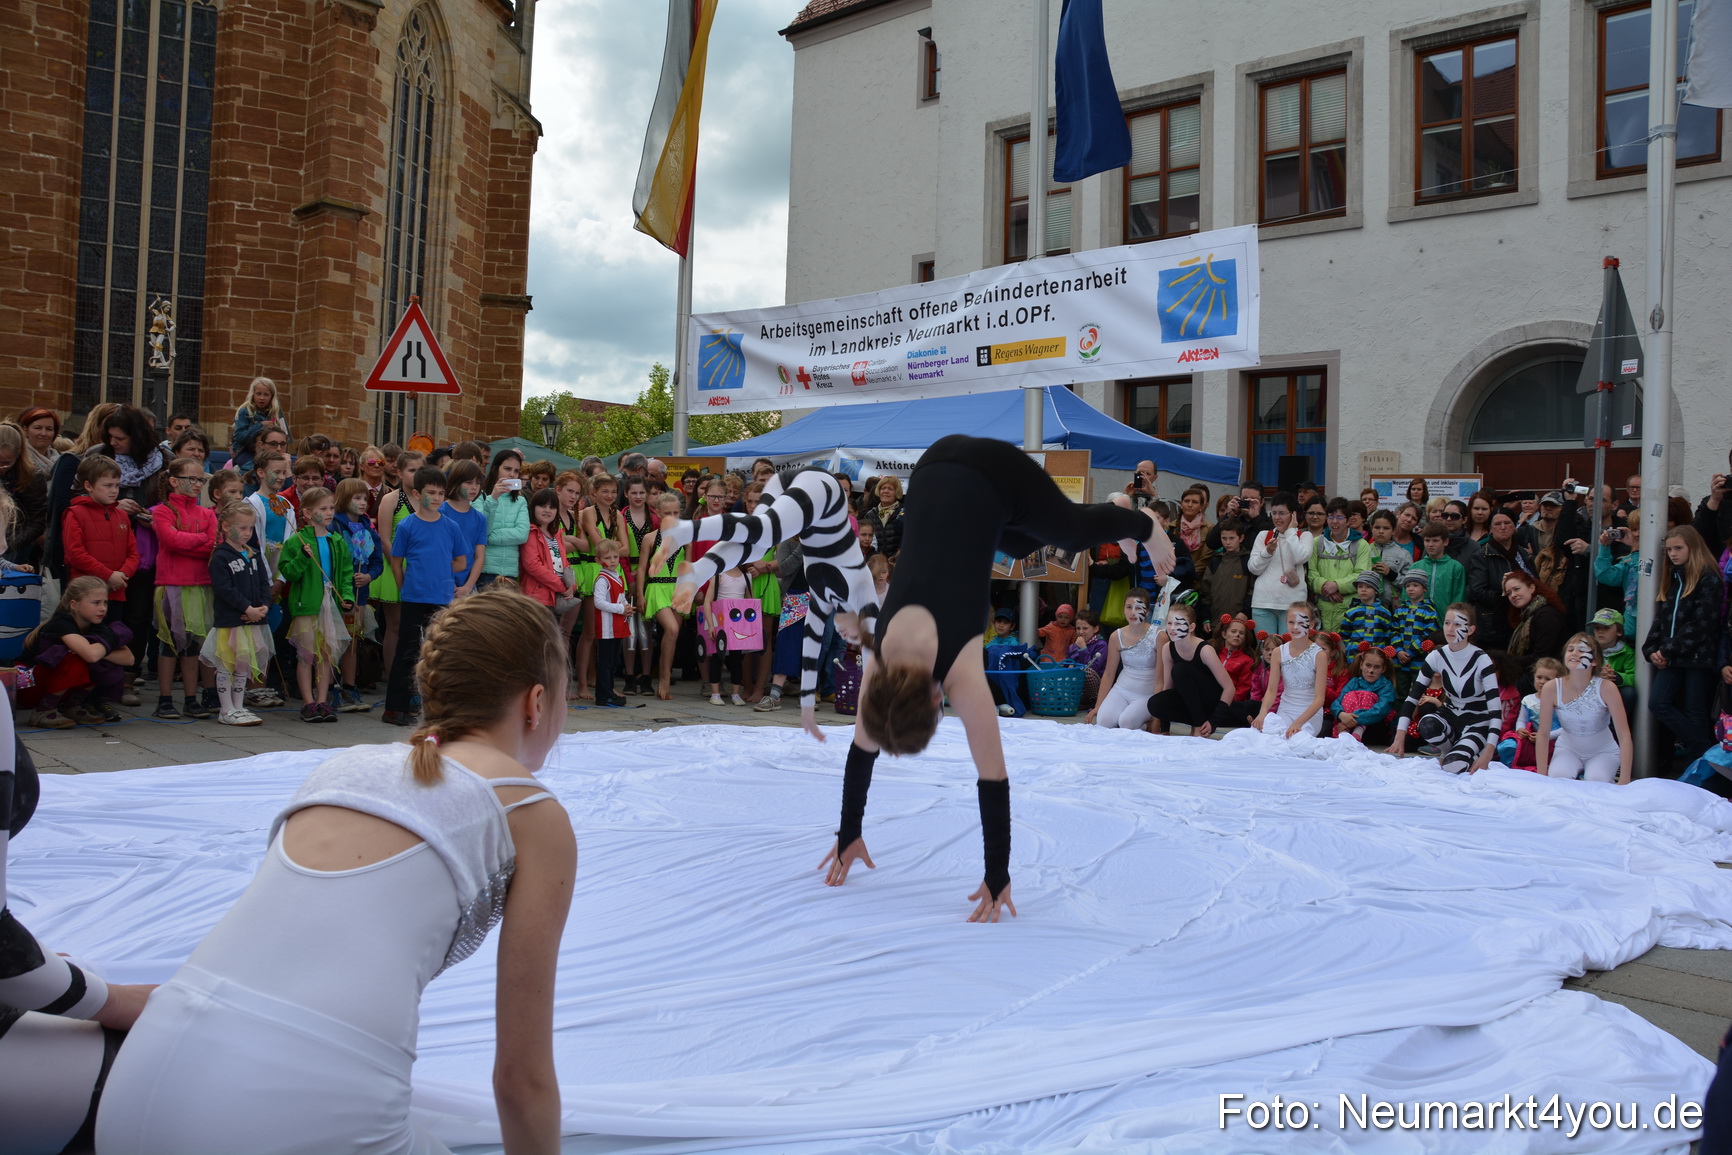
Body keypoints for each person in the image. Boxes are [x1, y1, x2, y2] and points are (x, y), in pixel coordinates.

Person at [96, 589, 576, 1154]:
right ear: (536, 702)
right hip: (300, 1102)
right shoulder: (528, 810)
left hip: (142, 1077)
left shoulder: (344, 766)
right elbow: (522, 1079)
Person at [821, 434, 1171, 922]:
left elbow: (994, 780)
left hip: (992, 471)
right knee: (1017, 538)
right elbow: (863, 749)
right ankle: (1108, 510)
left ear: (934, 697)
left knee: (1069, 532)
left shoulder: (960, 670)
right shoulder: (880, 658)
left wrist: (997, 876)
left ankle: (1137, 518)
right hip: (930, 467)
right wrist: (848, 832)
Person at [646, 466, 881, 730]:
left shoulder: (824, 589)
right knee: (766, 531)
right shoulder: (860, 586)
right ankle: (685, 531)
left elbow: (812, 642)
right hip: (824, 490)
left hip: (809, 499)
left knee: (757, 544)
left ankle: (701, 569)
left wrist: (807, 710)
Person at [383, 467, 468, 727]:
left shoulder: (450, 526)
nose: (437, 497)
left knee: (440, 652)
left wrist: (440, 569)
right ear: (418, 494)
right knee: (407, 651)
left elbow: (461, 561)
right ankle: (395, 707)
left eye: (441, 493)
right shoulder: (408, 525)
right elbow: (397, 562)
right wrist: (403, 587)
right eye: (431, 492)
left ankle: (438, 707)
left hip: (441, 596)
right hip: (414, 596)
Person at [1644, 525, 1726, 760]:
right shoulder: (1674, 576)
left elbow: (1702, 623)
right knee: (1659, 703)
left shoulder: (1708, 578)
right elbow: (1662, 616)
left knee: (1695, 711)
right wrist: (1651, 649)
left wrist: (1667, 650)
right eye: (1669, 549)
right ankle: (1706, 754)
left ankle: (1701, 760)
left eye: (1678, 548)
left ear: (1693, 547)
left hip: (1696, 657)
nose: (1672, 554)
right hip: (1672, 655)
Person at [1390, 604, 1501, 774]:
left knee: (1453, 766)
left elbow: (1495, 711)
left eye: (1457, 624)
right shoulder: (1436, 656)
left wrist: (1488, 751)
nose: (1450, 629)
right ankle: (1448, 750)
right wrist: (1400, 736)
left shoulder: (1482, 660)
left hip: (1477, 723)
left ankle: (1472, 752)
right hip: (1451, 716)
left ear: (1470, 630)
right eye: (1447, 623)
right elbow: (1413, 697)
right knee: (1426, 724)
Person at [149, 455, 220, 721]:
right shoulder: (163, 510)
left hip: (200, 586)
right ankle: (165, 699)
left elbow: (211, 544)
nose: (197, 483)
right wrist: (199, 540)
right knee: (169, 644)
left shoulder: (207, 513)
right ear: (174, 481)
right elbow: (171, 540)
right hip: (172, 586)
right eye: (192, 478)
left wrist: (193, 541)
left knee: (193, 646)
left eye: (201, 479)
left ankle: (191, 698)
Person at [279, 486, 354, 724]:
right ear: (308, 513)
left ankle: (322, 700)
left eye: (331, 507)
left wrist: (347, 595)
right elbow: (288, 573)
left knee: (326, 654)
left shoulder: (337, 541)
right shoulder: (297, 541)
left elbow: (345, 573)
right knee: (306, 654)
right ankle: (308, 702)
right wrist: (302, 556)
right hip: (307, 605)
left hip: (329, 604)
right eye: (323, 508)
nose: (329, 512)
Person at [18, 576, 136, 728]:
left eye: (105, 602)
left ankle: (71, 707)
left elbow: (129, 658)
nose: (103, 608)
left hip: (52, 685)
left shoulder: (96, 626)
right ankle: (43, 710)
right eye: (96, 602)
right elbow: (91, 655)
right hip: (29, 686)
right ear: (74, 605)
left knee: (99, 658)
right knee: (77, 658)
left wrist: (102, 647)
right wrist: (108, 643)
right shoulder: (61, 623)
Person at [203, 500, 273, 727]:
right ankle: (226, 709)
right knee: (227, 664)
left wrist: (264, 605)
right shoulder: (221, 556)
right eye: (242, 528)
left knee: (243, 664)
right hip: (231, 621)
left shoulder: (252, 553)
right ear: (225, 527)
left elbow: (264, 581)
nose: (247, 532)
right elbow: (224, 589)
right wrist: (247, 608)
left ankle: (239, 705)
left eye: (250, 528)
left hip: (251, 621)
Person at [1537, 633, 1633, 783]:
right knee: (1558, 779)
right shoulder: (1552, 688)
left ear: (1594, 660)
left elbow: (1624, 735)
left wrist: (1625, 780)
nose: (1574, 653)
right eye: (1570, 649)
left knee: (1597, 781)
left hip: (1603, 751)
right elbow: (1543, 734)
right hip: (1567, 749)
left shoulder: (1607, 688)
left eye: (1582, 650)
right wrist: (1541, 776)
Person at [62, 455, 139, 621]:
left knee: (112, 637)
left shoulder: (122, 516)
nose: (114, 490)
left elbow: (133, 553)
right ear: (89, 486)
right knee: (87, 640)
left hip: (116, 591)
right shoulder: (75, 514)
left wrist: (122, 575)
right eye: (107, 485)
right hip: (86, 593)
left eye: (117, 485)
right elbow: (75, 554)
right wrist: (108, 576)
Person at [1145, 602, 1236, 737]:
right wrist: (1165, 727)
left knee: (1180, 670)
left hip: (1211, 700)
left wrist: (1213, 721)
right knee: (1155, 703)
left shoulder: (1205, 650)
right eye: (1169, 623)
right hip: (1192, 703)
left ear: (1191, 627)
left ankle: (1199, 726)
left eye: (1178, 624)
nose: (1172, 628)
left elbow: (1229, 688)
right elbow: (1168, 688)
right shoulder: (1167, 649)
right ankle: (1197, 721)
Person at [573, 472, 622, 700]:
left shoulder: (618, 515)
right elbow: (597, 545)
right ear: (594, 493)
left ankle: (599, 679)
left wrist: (609, 551)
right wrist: (613, 549)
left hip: (614, 571)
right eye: (605, 491)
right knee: (591, 631)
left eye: (613, 491)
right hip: (594, 572)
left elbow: (626, 549)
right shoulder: (587, 513)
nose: (610, 495)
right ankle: (582, 683)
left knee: (608, 632)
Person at [637, 492, 688, 701]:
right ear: (657, 513)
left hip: (678, 589)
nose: (673, 517)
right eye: (668, 513)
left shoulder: (686, 537)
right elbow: (641, 568)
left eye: (676, 512)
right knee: (672, 629)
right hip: (657, 589)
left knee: (672, 635)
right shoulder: (650, 538)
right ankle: (665, 677)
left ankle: (663, 674)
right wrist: (640, 594)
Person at [1252, 602, 1329, 739]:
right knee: (1271, 738)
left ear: (1311, 624)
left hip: (1310, 714)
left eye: (1301, 622)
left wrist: (1298, 723)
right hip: (1286, 710)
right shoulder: (1278, 652)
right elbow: (1271, 690)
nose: (1295, 627)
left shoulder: (1319, 655)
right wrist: (1262, 713)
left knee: (1299, 742)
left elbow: (1319, 699)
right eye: (1291, 622)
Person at [1088, 587, 1159, 731]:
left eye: (1138, 607)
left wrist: (1159, 714)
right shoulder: (1116, 636)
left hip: (1146, 693)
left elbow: (1162, 675)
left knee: (1127, 723)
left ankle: (1147, 723)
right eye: (1129, 607)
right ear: (1123, 610)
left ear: (1147, 611)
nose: (1133, 612)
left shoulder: (1159, 635)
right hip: (1122, 690)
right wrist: (1098, 706)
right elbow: (1109, 673)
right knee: (1103, 722)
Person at [1466, 507, 1534, 650]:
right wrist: (1508, 596)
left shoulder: (1523, 553)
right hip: (1494, 625)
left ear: (1515, 526)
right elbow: (1476, 591)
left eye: (1507, 523)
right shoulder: (1481, 555)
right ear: (1490, 528)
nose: (1503, 527)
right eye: (1497, 524)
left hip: (1523, 621)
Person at [1246, 492, 1311, 637]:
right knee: (1266, 650)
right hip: (1263, 604)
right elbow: (1253, 568)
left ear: (1293, 515)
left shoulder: (1304, 536)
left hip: (1293, 604)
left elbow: (1301, 557)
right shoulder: (1264, 535)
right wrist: (1267, 551)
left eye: (1282, 513)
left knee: (1290, 652)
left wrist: (1291, 532)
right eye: (1274, 513)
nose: (1277, 517)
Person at [1309, 498, 1373, 633]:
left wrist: (1337, 585)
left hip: (1350, 610)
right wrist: (1325, 586)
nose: (1334, 522)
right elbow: (1311, 573)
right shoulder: (1316, 543)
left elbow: (1362, 575)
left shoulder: (1361, 545)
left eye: (1339, 517)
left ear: (1349, 520)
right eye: (1331, 517)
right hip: (1321, 608)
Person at [1503, 570, 1568, 684]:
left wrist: (1508, 661)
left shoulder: (1547, 615)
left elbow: (1541, 656)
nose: (1513, 595)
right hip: (1529, 672)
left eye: (1517, 589)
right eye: (1508, 593)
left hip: (1547, 677)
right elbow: (1498, 628)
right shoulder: (1525, 615)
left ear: (1532, 588)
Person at [477, 449, 529, 591]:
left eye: (516, 471)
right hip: (484, 570)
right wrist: (493, 498)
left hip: (510, 573)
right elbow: (480, 532)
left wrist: (489, 537)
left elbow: (522, 534)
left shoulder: (520, 500)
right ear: (495, 469)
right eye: (507, 469)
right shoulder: (479, 496)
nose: (512, 474)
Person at [0, 422, 49, 568]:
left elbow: (37, 521)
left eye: (6, 463)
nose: (1, 467)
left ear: (18, 455)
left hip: (15, 544)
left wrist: (9, 544)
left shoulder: (32, 477)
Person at [518, 487, 575, 612]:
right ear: (533, 508)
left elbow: (564, 563)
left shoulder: (557, 534)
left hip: (557, 596)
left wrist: (571, 585)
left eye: (552, 507)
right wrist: (561, 586)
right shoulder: (531, 532)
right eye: (543, 506)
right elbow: (532, 565)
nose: (547, 510)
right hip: (537, 597)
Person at [591, 538, 632, 708]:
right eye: (608, 558)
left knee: (614, 661)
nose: (613, 561)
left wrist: (626, 608)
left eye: (615, 557)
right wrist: (620, 608)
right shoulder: (602, 580)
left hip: (617, 626)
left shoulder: (618, 577)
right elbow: (598, 602)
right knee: (605, 662)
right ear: (599, 561)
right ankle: (603, 695)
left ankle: (610, 690)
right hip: (607, 628)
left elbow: (619, 598)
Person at [441, 459, 489, 601]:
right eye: (468, 482)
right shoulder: (440, 512)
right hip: (440, 583)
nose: (474, 487)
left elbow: (479, 556)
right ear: (456, 482)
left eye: (478, 483)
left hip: (467, 587)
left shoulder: (479, 518)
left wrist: (468, 586)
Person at [1332, 647, 1397, 742]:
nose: (1371, 670)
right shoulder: (1354, 682)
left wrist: (1352, 720)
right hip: (1347, 721)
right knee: (1350, 695)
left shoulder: (1386, 686)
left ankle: (1358, 731)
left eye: (1377, 667)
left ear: (1383, 669)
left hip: (1374, 727)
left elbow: (1380, 710)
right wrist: (1341, 714)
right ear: (1361, 665)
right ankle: (1344, 734)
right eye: (1368, 665)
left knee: (1367, 695)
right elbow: (1338, 701)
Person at [229, 376, 286, 472]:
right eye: (258, 394)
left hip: (267, 453)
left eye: (266, 395)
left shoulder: (275, 414)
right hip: (246, 452)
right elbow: (239, 437)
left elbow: (285, 435)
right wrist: (260, 426)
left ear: (272, 396)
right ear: (253, 394)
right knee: (253, 471)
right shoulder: (245, 411)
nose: (262, 398)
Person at [1409, 521, 1467, 613]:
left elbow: (1458, 599)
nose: (1430, 544)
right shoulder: (1415, 567)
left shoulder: (1456, 568)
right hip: (1418, 623)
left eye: (1435, 540)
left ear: (1445, 542)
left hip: (1445, 623)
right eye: (1427, 540)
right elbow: (1407, 597)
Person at [1199, 522, 1250, 626]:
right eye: (1224, 538)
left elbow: (1252, 590)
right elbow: (1206, 591)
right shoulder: (1215, 561)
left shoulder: (1248, 561)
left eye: (1232, 538)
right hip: (1216, 619)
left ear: (1241, 538)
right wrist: (1205, 618)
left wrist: (1246, 612)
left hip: (1239, 619)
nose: (1227, 542)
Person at [1340, 571, 1394, 652]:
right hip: (1354, 656)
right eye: (1360, 586)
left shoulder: (1384, 612)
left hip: (1377, 655)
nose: (1363, 590)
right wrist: (1350, 648)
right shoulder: (1351, 612)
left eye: (1368, 587)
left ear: (1376, 590)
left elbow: (1388, 634)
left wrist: (1382, 650)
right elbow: (1344, 634)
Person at [859, 476, 905, 559]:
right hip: (875, 565)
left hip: (898, 563)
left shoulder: (904, 512)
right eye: (883, 488)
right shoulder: (870, 515)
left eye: (890, 489)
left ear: (897, 492)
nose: (885, 491)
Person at [1068, 614, 1108, 708]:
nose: (1081, 632)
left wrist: (1083, 649)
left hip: (1095, 686)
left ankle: (1094, 701)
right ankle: (1076, 700)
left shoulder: (1101, 645)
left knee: (1087, 671)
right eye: (1078, 628)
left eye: (1085, 628)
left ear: (1095, 629)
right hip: (1077, 685)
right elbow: (1068, 664)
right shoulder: (1073, 646)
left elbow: (1093, 667)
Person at [16, 405, 61, 476]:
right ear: (25, 430)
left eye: (49, 429)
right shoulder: (18, 459)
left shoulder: (60, 460)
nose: (44, 433)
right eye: (38, 428)